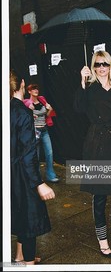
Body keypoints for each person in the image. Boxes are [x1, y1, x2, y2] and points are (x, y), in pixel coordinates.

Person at [73, 50, 111, 257]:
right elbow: (78, 108)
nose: (101, 68)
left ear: (110, 66)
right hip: (97, 144)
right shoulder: (90, 89)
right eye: (97, 64)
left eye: (104, 64)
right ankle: (102, 237)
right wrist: (82, 80)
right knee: (100, 195)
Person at [10, 70, 55, 265]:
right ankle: (28, 263)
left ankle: (19, 256)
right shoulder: (23, 113)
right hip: (22, 174)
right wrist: (39, 183)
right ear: (22, 84)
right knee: (29, 219)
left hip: (9, 173)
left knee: (19, 214)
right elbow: (29, 154)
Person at [23, 84, 59, 183]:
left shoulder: (42, 100)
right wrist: (30, 112)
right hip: (34, 131)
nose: (36, 90)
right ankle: (36, 177)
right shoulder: (27, 103)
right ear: (29, 91)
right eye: (33, 89)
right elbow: (24, 118)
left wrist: (50, 109)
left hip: (44, 130)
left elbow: (46, 116)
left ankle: (50, 175)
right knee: (36, 155)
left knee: (49, 153)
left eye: (37, 88)